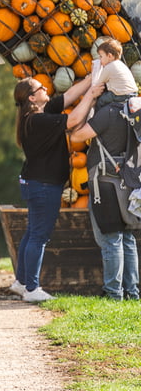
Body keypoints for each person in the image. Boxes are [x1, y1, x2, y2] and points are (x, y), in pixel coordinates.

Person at [10, 75, 100, 302]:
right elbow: (74, 119)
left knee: (32, 233)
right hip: (43, 185)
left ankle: (21, 283)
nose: (46, 87)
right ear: (33, 97)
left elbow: (69, 96)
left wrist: (92, 78)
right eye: (41, 87)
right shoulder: (38, 120)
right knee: (39, 236)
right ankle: (32, 289)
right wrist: (92, 94)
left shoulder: (40, 112)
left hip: (35, 183)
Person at [71, 103, 140, 300]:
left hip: (105, 180)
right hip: (130, 179)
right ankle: (132, 293)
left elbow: (76, 136)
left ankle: (114, 293)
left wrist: (88, 103)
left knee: (112, 237)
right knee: (127, 237)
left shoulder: (108, 113)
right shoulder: (136, 111)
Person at [92, 37, 137, 109]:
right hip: (133, 93)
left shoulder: (109, 67)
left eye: (101, 56)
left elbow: (99, 82)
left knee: (101, 101)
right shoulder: (120, 64)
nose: (99, 59)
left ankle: (96, 118)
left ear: (109, 56)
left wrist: (93, 73)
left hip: (121, 95)